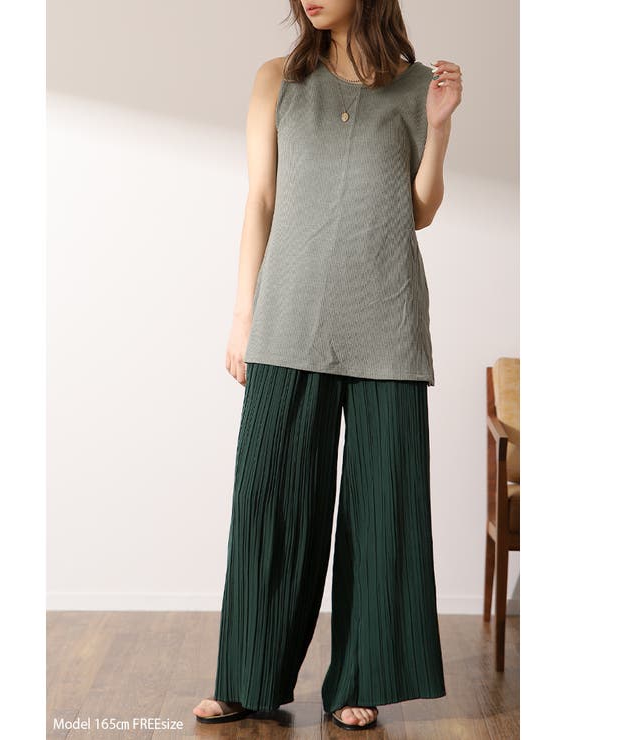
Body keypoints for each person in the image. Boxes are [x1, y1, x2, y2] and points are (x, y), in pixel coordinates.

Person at [193, 0, 462, 731]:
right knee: (270, 504)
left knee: (383, 511)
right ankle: (248, 678)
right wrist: (243, 315)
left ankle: (359, 681)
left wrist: (438, 128)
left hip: (386, 320)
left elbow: (420, 208)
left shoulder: (417, 86)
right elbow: (261, 199)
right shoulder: (277, 79)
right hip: (288, 317)